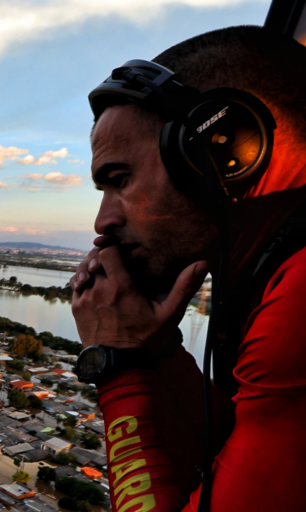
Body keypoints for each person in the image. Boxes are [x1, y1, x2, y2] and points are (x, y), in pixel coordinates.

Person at [70, 26, 306, 511]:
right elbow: (235, 458)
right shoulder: (274, 272)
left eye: (119, 180)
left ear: (225, 149)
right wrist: (155, 349)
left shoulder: (302, 295)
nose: (103, 222)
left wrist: (118, 366)